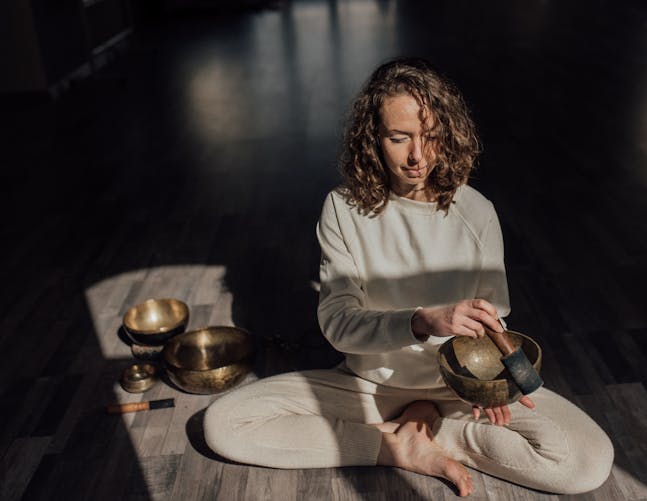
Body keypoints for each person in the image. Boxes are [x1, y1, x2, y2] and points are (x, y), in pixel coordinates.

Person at [204, 58, 614, 497]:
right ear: (373, 139)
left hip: (457, 392)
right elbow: (339, 325)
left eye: (431, 137)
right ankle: (395, 446)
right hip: (370, 388)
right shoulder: (344, 209)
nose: (418, 156)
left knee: (586, 460)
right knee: (224, 424)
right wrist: (421, 322)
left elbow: (493, 323)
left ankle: (430, 431)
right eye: (399, 138)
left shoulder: (476, 212)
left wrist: (495, 386)